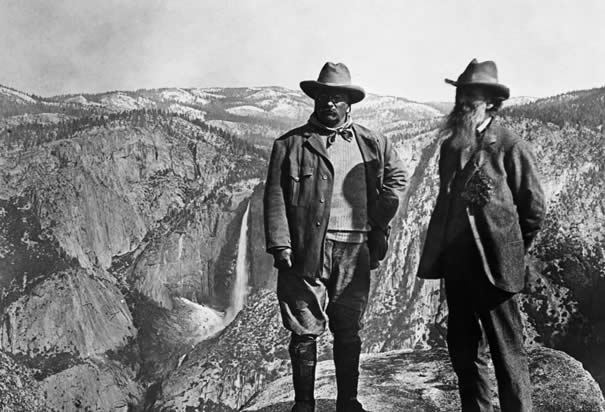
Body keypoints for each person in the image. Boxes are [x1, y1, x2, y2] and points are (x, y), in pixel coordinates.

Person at [263, 62, 407, 412]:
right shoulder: (290, 144)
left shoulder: (373, 143)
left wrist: (378, 217)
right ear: (315, 99)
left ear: (349, 104)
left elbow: (397, 181)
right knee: (303, 326)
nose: (329, 103)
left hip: (355, 249)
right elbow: (275, 196)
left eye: (337, 98)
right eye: (324, 96)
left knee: (348, 327)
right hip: (305, 250)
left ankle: (348, 401)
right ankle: (304, 404)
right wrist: (281, 243)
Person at [417, 59, 546, 411]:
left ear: (491, 102)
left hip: (496, 269)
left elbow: (533, 209)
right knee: (464, 350)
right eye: (460, 94)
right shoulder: (451, 146)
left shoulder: (509, 145)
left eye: (470, 96)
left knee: (508, 353)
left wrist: (511, 250)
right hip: (458, 267)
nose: (462, 102)